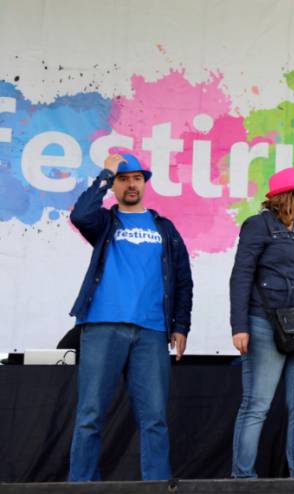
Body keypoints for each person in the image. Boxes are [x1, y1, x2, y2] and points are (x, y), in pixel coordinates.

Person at [68, 153, 193, 481]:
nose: (131, 184)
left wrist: (181, 325)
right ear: (115, 185)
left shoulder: (164, 228)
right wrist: (105, 174)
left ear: (145, 183)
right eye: (123, 179)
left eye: (137, 178)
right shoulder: (105, 223)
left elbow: (183, 278)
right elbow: (80, 214)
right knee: (90, 416)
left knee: (154, 419)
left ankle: (156, 485)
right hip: (102, 325)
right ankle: (80, 487)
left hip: (152, 331)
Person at [229, 167, 294, 478]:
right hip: (264, 323)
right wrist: (239, 326)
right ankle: (242, 479)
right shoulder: (258, 226)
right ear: (288, 195)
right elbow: (241, 275)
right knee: (257, 405)